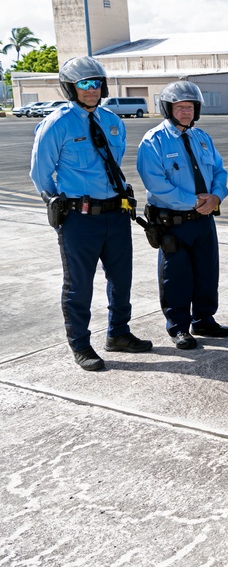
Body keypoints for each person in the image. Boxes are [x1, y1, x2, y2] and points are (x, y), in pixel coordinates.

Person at [29, 56, 152, 371]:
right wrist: (56, 200)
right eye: (84, 84)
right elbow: (41, 172)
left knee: (121, 279)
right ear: (71, 87)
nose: (91, 89)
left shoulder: (112, 121)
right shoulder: (57, 123)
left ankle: (119, 334)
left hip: (115, 214)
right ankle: (81, 345)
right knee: (79, 284)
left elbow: (115, 161)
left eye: (96, 83)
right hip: (79, 219)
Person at [136, 81, 228, 350]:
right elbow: (156, 184)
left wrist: (216, 197)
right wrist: (193, 201)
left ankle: (204, 319)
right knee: (176, 277)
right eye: (180, 107)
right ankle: (178, 327)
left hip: (204, 220)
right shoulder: (153, 141)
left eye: (190, 107)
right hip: (173, 223)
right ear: (168, 109)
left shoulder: (202, 138)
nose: (186, 112)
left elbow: (219, 171)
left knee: (207, 273)